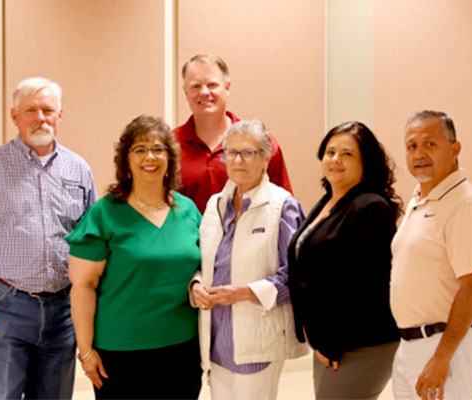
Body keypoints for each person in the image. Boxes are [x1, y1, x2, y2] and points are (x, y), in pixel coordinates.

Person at [0, 77, 97, 399]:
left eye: (47, 110)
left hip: (63, 308)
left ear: (59, 115)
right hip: (6, 307)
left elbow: (92, 243)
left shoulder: (79, 169)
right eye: (31, 110)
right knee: (2, 395)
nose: (40, 118)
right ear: (15, 116)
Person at [67, 115, 202, 399]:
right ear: (125, 160)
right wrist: (86, 350)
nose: (149, 157)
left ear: (170, 158)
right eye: (139, 149)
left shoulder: (188, 210)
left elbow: (204, 269)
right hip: (120, 354)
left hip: (182, 350)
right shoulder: (104, 214)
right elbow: (82, 287)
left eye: (157, 149)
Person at [190, 120, 308, 400]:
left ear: (266, 158)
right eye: (231, 152)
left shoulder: (283, 206)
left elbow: (294, 275)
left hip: (257, 340)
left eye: (248, 153)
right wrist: (195, 286)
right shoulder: (214, 204)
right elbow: (201, 261)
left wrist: (244, 292)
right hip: (216, 339)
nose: (238, 160)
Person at [288, 121, 401, 399]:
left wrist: (331, 342)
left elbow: (363, 284)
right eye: (330, 152)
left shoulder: (371, 207)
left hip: (359, 341)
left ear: (366, 161)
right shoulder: (330, 200)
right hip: (328, 337)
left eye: (347, 154)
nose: (335, 160)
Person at [390, 110, 472, 400]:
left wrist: (442, 357)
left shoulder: (465, 204)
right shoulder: (419, 199)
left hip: (445, 347)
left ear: (455, 149)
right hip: (412, 345)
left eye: (430, 144)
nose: (419, 153)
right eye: (412, 146)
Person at [175, 54, 292, 213]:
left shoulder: (262, 144)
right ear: (186, 93)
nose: (204, 92)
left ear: (227, 88)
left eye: (212, 85)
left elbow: (283, 207)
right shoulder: (169, 146)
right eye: (195, 86)